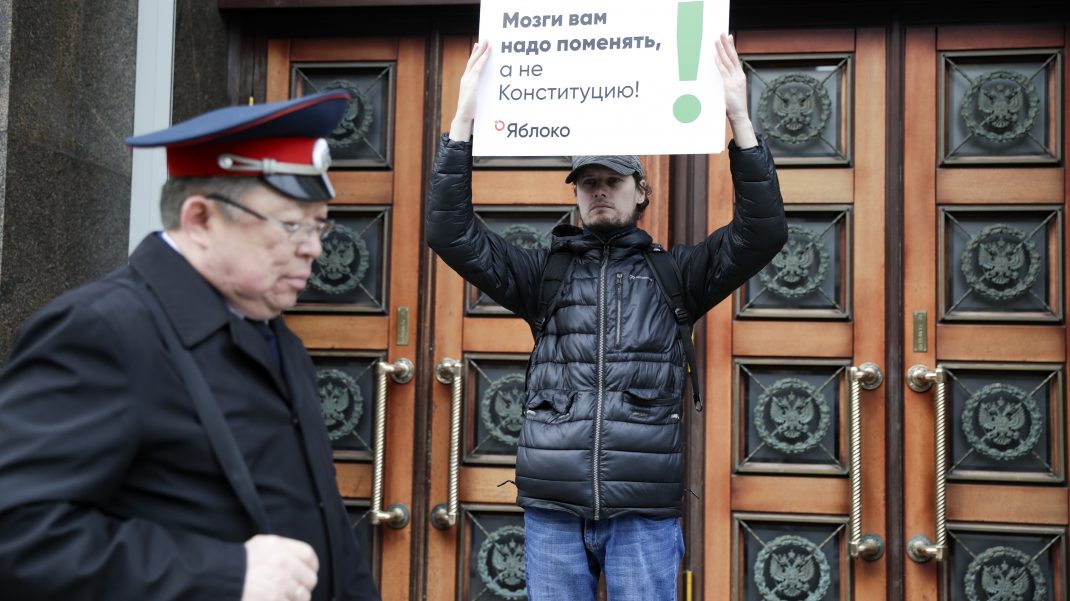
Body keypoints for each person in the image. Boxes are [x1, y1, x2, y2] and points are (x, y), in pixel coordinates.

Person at [426, 34, 787, 600]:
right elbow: (450, 232)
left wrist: (739, 118)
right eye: (588, 183)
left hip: (642, 508)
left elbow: (762, 233)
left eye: (612, 181)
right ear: (575, 195)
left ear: (641, 190)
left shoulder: (677, 273)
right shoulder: (542, 274)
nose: (599, 192)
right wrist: (463, 121)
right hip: (553, 507)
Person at [0, 91, 380, 601]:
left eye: (318, 226)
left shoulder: (271, 332)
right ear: (200, 219)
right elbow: (18, 532)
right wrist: (223, 574)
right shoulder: (102, 331)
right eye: (291, 225)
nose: (313, 247)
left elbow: (321, 518)